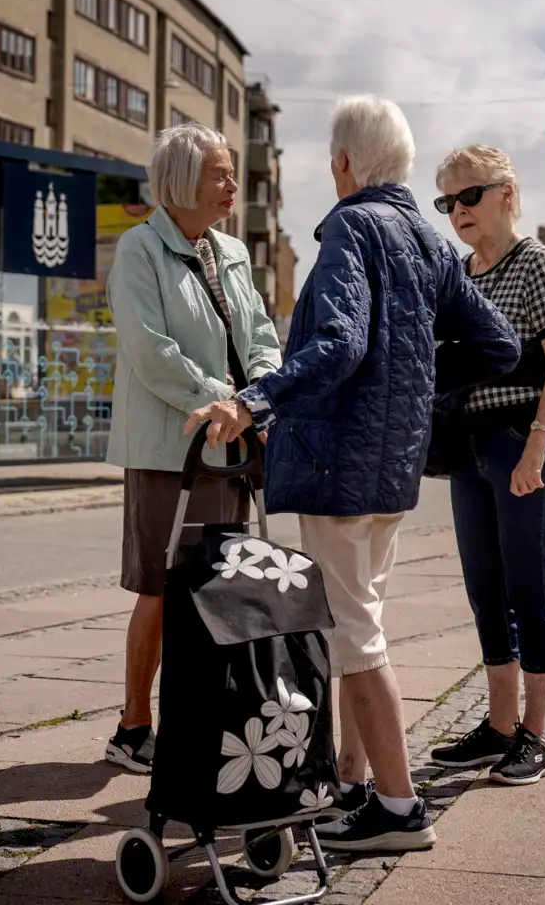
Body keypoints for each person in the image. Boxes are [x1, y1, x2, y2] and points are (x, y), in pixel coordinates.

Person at [186, 96, 518, 851]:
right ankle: (355, 783)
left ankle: (398, 810)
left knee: (357, 639)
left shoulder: (351, 227)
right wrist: (419, 384)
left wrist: (254, 398)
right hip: (393, 465)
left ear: (342, 163)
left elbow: (337, 343)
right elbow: (497, 344)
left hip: (338, 461)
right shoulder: (430, 243)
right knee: (359, 622)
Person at [103, 122, 283, 774]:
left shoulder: (231, 251)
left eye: (233, 173)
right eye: (219, 173)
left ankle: (206, 720)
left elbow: (262, 332)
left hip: (228, 440)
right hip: (167, 445)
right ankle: (133, 727)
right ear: (180, 181)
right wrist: (218, 400)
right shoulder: (139, 250)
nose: (231, 184)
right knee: (159, 585)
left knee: (218, 585)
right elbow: (151, 350)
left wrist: (256, 396)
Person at [426, 144, 545, 786]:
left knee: (528, 587)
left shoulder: (534, 261)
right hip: (471, 445)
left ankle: (536, 736)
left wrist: (536, 448)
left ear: (506, 194)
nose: (457, 211)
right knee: (485, 590)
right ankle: (498, 727)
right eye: (446, 201)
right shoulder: (460, 274)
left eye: (468, 196)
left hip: (523, 439)